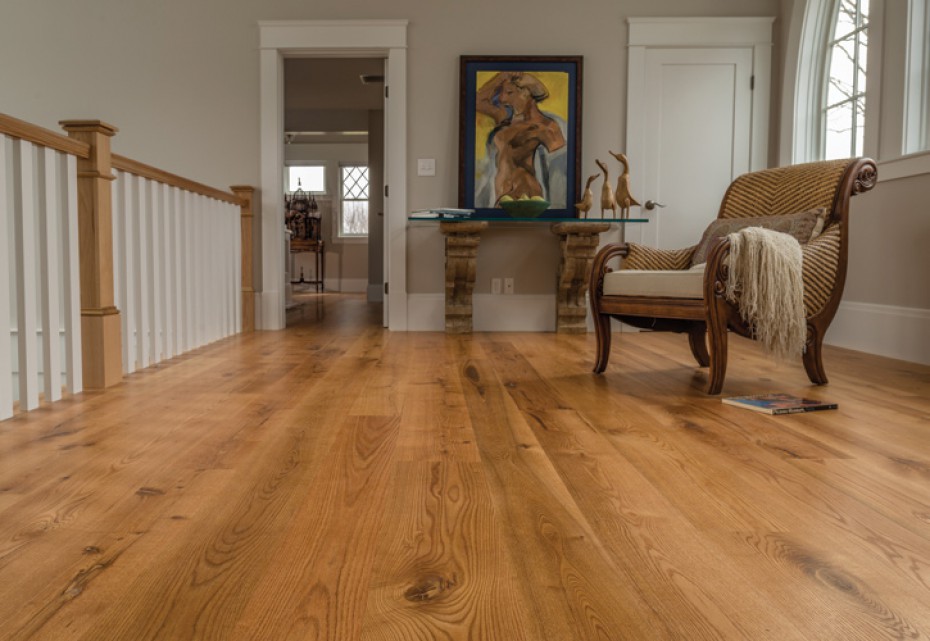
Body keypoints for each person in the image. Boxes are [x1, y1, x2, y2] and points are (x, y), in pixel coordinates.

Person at [475, 72, 566, 206]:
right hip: (500, 193)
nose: (502, 99)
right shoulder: (505, 118)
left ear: (526, 93)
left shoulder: (546, 127)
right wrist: (501, 77)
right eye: (502, 92)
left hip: (525, 191)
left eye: (509, 93)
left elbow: (560, 168)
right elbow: (477, 101)